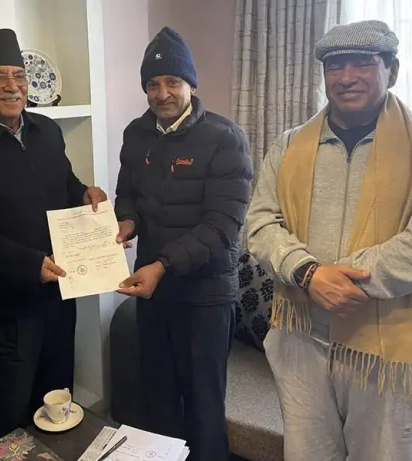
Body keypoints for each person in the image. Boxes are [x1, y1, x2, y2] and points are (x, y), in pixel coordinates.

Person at [247, 20, 412, 461]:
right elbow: (260, 222)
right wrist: (308, 273)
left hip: (385, 351)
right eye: (335, 65)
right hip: (301, 339)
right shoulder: (289, 145)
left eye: (362, 63)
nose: (346, 77)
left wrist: (349, 280)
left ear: (392, 70)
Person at [0, 28, 108, 447]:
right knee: (5, 425)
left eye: (19, 75)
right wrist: (29, 264)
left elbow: (64, 184)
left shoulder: (47, 131)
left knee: (57, 414)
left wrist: (85, 194)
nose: (12, 85)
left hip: (59, 304)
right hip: (3, 316)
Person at [114, 26, 253, 461]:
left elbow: (223, 225)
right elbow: (126, 194)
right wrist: (125, 222)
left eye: (172, 82)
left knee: (203, 406)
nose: (162, 93)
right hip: (153, 293)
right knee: (155, 396)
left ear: (191, 84)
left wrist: (161, 265)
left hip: (205, 295)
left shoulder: (224, 137)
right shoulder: (136, 133)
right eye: (153, 84)